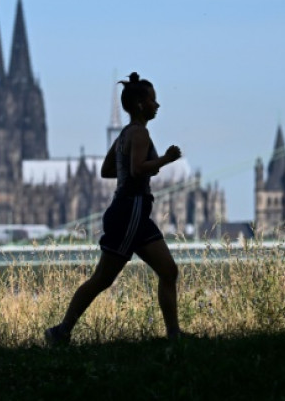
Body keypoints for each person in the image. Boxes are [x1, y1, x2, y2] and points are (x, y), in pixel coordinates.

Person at [45, 72, 185, 344]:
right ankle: (60, 332)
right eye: (153, 100)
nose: (157, 105)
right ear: (141, 104)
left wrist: (132, 170)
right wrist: (166, 159)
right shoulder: (141, 133)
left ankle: (174, 335)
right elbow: (135, 169)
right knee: (102, 279)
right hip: (131, 209)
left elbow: (108, 169)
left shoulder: (124, 135)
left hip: (132, 212)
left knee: (168, 271)